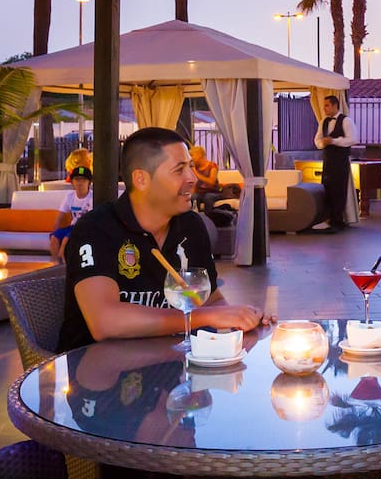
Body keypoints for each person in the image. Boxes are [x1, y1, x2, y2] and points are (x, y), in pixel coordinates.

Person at [59, 127, 268, 352]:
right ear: (141, 179)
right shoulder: (97, 229)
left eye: (191, 167)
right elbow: (104, 321)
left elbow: (210, 301)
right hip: (97, 371)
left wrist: (240, 320)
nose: (192, 178)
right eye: (179, 170)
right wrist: (204, 316)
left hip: (171, 369)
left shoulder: (191, 226)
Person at [314, 95, 355, 229]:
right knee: (326, 187)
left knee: (339, 189)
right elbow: (317, 139)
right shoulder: (323, 121)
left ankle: (338, 220)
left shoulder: (346, 121)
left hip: (340, 160)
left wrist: (333, 141)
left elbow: (353, 139)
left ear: (335, 106)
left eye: (327, 105)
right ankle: (328, 218)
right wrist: (322, 144)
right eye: (324, 106)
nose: (324, 108)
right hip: (327, 159)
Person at [48, 165, 95, 261]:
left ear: (89, 182)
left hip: (85, 227)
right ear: (72, 182)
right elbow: (60, 215)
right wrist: (54, 231)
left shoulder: (92, 197)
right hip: (72, 227)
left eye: (83, 180)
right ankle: (56, 265)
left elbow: (89, 220)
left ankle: (66, 266)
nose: (80, 183)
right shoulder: (69, 196)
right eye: (77, 179)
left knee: (66, 240)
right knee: (54, 238)